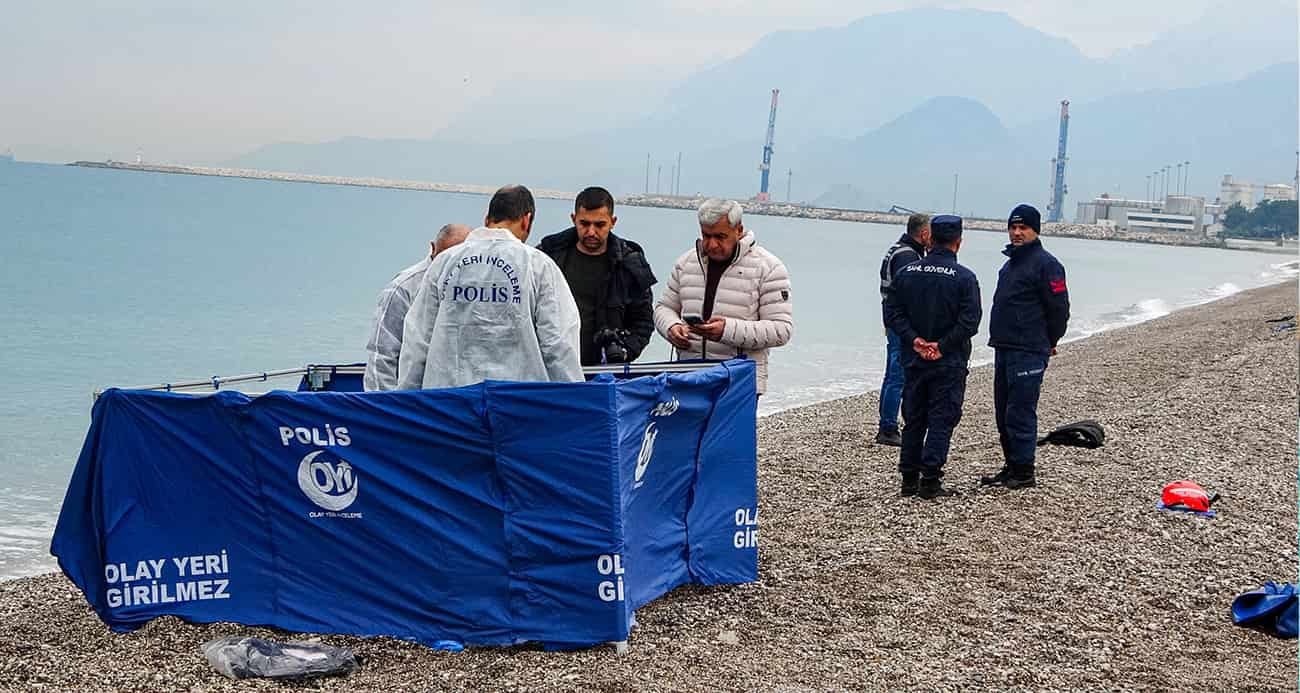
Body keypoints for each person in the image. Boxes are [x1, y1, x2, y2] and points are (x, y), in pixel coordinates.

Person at [396, 185, 584, 389]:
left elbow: (417, 339)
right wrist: (577, 401)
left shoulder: (444, 263)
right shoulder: (538, 266)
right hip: (517, 401)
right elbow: (558, 344)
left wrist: (407, 397)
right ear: (526, 220)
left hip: (449, 402)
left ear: (487, 219)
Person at [883, 215, 981, 499]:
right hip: (947, 360)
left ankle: (909, 477)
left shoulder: (908, 273)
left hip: (914, 356)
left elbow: (893, 313)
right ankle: (930, 479)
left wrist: (914, 339)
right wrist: (942, 345)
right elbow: (970, 322)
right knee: (941, 417)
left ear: (930, 238)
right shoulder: (965, 278)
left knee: (914, 417)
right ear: (958, 242)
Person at [653, 198, 793, 395]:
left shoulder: (769, 268)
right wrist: (671, 327)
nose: (711, 244)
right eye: (706, 235)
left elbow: (781, 330)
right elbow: (663, 308)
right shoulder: (685, 263)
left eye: (720, 236)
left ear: (739, 230)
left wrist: (726, 330)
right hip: (688, 377)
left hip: (739, 382)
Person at [979, 204, 1070, 490]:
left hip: (1029, 349)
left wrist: (1050, 341)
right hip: (1004, 347)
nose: (1017, 233)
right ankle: (1012, 465)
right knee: (1003, 412)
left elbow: (1059, 308)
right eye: (1013, 227)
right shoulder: (1009, 266)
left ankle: (1024, 471)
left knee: (1020, 412)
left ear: (1035, 230)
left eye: (1023, 228)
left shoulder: (1047, 264)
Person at [536, 187, 657, 366]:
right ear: (573, 219)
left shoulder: (629, 264)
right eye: (584, 224)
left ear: (612, 222)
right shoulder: (547, 257)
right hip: (553, 368)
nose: (591, 232)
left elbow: (644, 323)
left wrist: (624, 352)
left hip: (606, 374)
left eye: (600, 225)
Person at [363, 224, 471, 391]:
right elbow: (382, 355)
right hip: (412, 398)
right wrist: (384, 409)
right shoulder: (403, 288)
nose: (447, 266)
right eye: (443, 258)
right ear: (433, 248)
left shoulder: (475, 286)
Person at [875, 213, 931, 446]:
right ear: (924, 233)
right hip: (901, 323)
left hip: (892, 320)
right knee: (897, 374)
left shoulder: (897, 250)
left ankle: (887, 424)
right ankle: (888, 427)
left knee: (893, 374)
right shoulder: (908, 256)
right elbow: (910, 293)